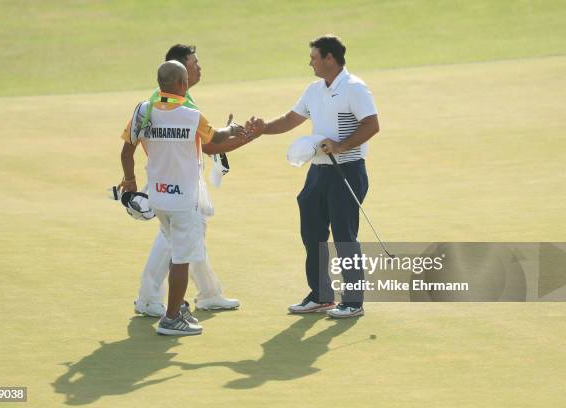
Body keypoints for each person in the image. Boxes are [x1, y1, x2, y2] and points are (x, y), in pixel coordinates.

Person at [246, 35, 380, 318]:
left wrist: (341, 145)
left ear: (330, 58)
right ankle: (321, 296)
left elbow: (372, 124)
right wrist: (262, 128)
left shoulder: (354, 88)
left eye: (314, 57)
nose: (310, 62)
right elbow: (289, 120)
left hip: (347, 170)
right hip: (318, 171)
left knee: (344, 235)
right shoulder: (314, 89)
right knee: (312, 233)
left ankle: (354, 301)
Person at [119, 60, 244, 335]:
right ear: (182, 84)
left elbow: (126, 153)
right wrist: (233, 128)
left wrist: (129, 182)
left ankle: (180, 306)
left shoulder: (144, 111)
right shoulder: (190, 115)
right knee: (181, 259)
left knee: (177, 252)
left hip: (158, 198)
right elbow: (216, 139)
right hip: (185, 200)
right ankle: (171, 318)